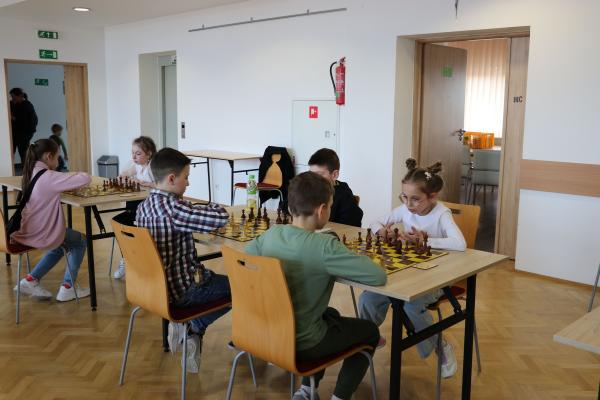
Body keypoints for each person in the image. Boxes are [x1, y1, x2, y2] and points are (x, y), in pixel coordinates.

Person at [245, 171, 387, 400]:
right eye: (330, 206)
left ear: (290, 207)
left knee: (330, 314)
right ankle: (339, 397)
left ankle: (307, 391)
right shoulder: (324, 246)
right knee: (369, 331)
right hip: (304, 344)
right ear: (322, 210)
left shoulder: (272, 234)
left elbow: (247, 256)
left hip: (267, 333)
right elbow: (377, 276)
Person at [358, 158, 466, 379]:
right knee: (368, 298)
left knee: (412, 305)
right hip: (406, 274)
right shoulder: (405, 209)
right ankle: (368, 338)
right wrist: (383, 232)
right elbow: (375, 222)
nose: (408, 204)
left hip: (437, 277)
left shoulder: (441, 214)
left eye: (415, 199)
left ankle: (440, 345)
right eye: (404, 197)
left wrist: (425, 241)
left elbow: (460, 243)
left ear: (432, 196)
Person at [136, 148, 230, 373]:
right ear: (171, 179)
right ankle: (195, 325)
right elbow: (220, 217)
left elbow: (188, 215)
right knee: (246, 287)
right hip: (185, 291)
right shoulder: (175, 211)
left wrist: (191, 207)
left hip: (152, 289)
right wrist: (212, 206)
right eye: (186, 177)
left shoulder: (143, 207)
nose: (188, 183)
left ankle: (189, 328)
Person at [11, 139, 91, 302]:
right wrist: (72, 173)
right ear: (48, 156)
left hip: (26, 229)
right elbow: (85, 178)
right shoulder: (48, 177)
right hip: (41, 233)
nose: (58, 161)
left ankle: (31, 280)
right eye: (57, 157)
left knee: (60, 243)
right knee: (80, 241)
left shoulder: (29, 172)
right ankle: (68, 287)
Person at [112, 136, 157, 280]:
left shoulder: (153, 166)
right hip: (136, 204)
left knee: (126, 224)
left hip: (150, 208)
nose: (134, 157)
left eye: (138, 153)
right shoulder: (137, 164)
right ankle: (127, 258)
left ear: (149, 154)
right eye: (132, 153)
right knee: (120, 223)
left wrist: (145, 184)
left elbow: (162, 184)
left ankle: (131, 259)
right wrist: (123, 177)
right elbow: (124, 174)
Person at [308, 148, 363, 227]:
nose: (313, 179)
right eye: (311, 174)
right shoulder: (308, 189)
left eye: (319, 174)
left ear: (334, 175)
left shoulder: (344, 194)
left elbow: (353, 223)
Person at [10, 88, 38, 167]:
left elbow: (25, 120)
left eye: (13, 96)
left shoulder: (27, 105)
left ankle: (26, 171)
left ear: (19, 96)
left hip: (24, 134)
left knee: (23, 153)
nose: (12, 98)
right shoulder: (13, 104)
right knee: (12, 151)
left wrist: (13, 118)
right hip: (15, 133)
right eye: (11, 96)